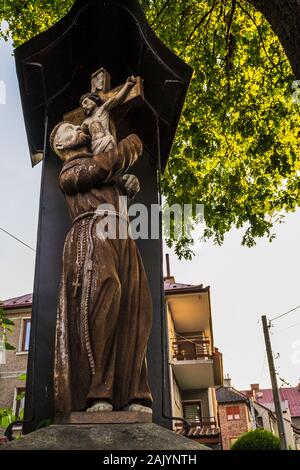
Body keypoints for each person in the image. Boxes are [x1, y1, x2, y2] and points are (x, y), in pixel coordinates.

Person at [50, 121, 153, 414]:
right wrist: (130, 143)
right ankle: (99, 393)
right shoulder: (71, 170)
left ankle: (133, 393)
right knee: (103, 299)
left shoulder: (98, 168)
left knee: (136, 309)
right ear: (60, 145)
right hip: (92, 232)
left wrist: (125, 189)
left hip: (121, 234)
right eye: (68, 129)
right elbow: (102, 167)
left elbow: (108, 179)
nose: (78, 128)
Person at [80, 76, 136, 155]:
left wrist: (127, 85)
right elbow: (80, 137)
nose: (84, 107)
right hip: (94, 148)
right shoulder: (85, 122)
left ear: (94, 99)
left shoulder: (103, 109)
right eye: (82, 107)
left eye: (85, 102)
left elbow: (117, 98)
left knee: (109, 163)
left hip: (106, 142)